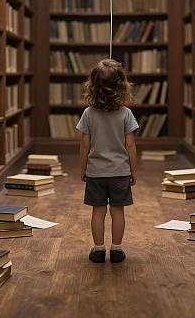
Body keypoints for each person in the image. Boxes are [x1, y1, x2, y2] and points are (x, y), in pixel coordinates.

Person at [76, 59, 138, 263]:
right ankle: (117, 249)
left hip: (96, 172)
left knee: (98, 211)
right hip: (120, 171)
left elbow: (85, 146)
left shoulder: (88, 113)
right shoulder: (126, 113)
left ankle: (99, 249)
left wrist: (84, 169)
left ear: (92, 87)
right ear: (122, 86)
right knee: (118, 211)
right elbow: (131, 146)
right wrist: (133, 171)